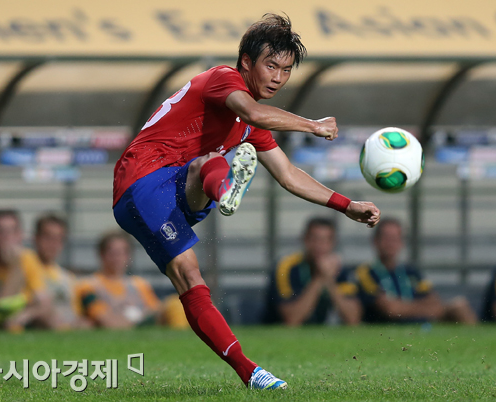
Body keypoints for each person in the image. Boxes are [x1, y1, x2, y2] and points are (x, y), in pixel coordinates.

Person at [112, 14, 380, 390]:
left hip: (178, 186)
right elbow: (253, 112)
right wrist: (312, 124)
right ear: (246, 63)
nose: (279, 77)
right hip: (141, 179)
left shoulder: (253, 123)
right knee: (209, 163)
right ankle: (225, 187)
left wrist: (346, 204)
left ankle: (251, 373)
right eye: (271, 66)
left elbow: (288, 175)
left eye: (286, 70)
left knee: (190, 278)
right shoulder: (224, 78)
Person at [355, 218, 477, 325]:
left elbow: (435, 304)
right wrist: (421, 307)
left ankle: (480, 348)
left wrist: (403, 308)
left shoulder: (410, 271)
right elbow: (390, 310)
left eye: (395, 238)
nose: (391, 243)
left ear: (401, 242)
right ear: (375, 241)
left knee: (460, 306)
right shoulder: (367, 272)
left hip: (422, 324)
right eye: (387, 238)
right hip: (387, 329)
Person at [264, 217, 361, 326]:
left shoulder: (340, 269)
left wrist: (329, 280)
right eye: (315, 239)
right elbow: (292, 320)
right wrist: (319, 278)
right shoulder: (285, 267)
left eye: (325, 240)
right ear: (304, 239)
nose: (319, 246)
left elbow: (353, 320)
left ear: (333, 243)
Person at [75, 231, 161, 329]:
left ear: (129, 256)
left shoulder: (140, 284)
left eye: (122, 252)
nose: (117, 258)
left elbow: (156, 312)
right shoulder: (88, 285)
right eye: (112, 253)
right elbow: (102, 317)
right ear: (101, 254)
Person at [33, 213, 90, 330]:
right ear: (36, 238)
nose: (53, 244)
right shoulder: (24, 269)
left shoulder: (68, 278)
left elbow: (77, 315)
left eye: (58, 239)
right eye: (48, 237)